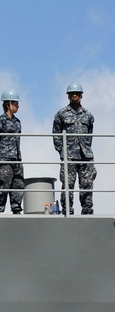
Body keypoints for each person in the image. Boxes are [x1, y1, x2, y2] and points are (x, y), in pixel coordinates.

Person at [52, 82, 95, 215]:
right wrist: (62, 151)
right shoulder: (62, 114)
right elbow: (56, 135)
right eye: (72, 94)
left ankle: (87, 211)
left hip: (85, 156)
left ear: (81, 95)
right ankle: (67, 210)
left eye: (77, 93)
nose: (74, 96)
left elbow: (89, 135)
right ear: (68, 96)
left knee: (87, 184)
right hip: (69, 156)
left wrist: (86, 148)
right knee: (68, 185)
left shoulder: (88, 115)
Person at [0, 90, 24, 215]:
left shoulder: (17, 122)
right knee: (3, 185)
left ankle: (16, 208)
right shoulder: (1, 120)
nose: (17, 105)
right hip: (5, 159)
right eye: (15, 103)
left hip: (17, 159)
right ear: (8, 104)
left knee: (18, 184)